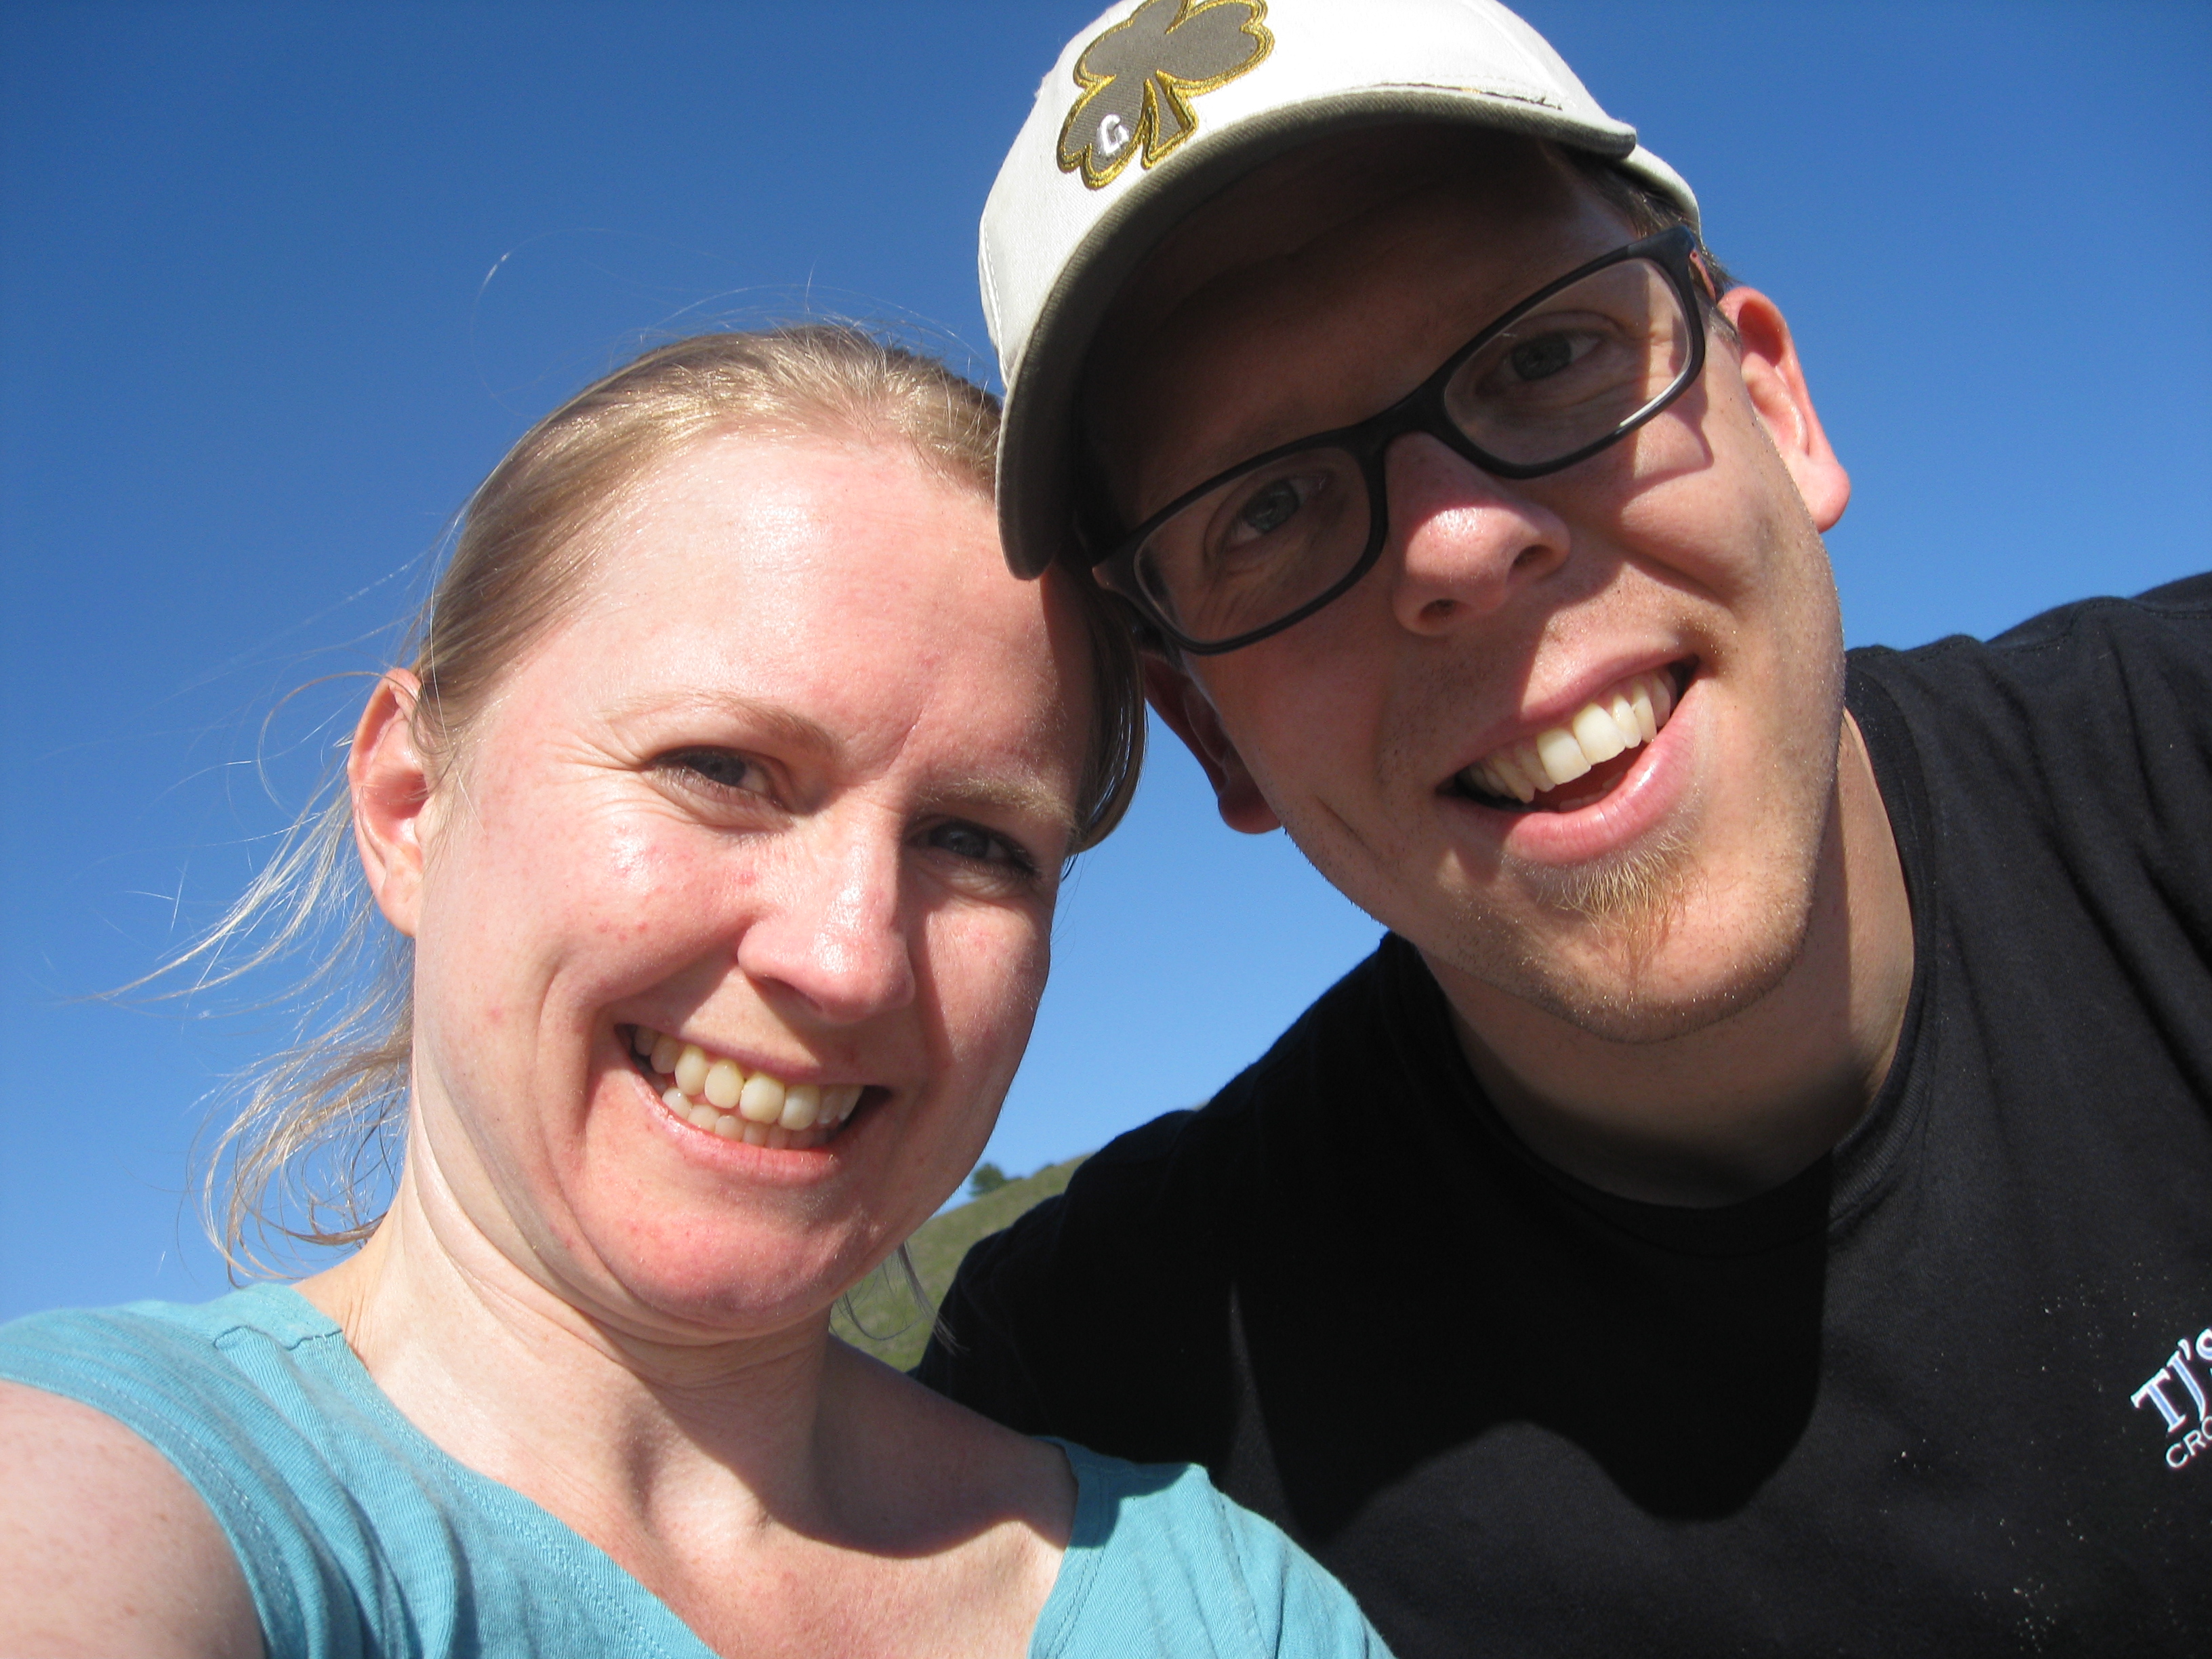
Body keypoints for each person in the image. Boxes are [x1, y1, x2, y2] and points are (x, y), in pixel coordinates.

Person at [917, 1, 2212, 1652]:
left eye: (1543, 357)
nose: (1457, 543)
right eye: (1269, 506)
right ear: (1207, 731)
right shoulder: (1096, 1409)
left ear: (1776, 404)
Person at [0, 327, 1393, 1659]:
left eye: (976, 842)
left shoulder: (1224, 1606)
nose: (849, 959)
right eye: (720, 770)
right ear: (411, 803)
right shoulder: (112, 1489)